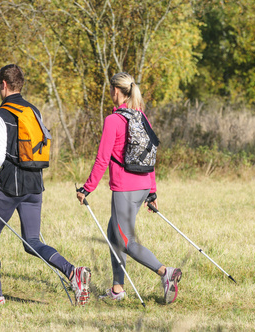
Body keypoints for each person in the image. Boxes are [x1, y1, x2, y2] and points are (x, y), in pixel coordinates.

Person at [0, 64, 91, 305]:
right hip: (35, 184)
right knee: (32, 242)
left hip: (11, 187)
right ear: (20, 85)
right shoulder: (34, 110)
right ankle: (73, 272)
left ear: (3, 85)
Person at [76, 72, 182, 304]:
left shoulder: (113, 120)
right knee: (114, 233)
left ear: (116, 91)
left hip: (125, 189)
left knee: (125, 241)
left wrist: (87, 188)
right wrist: (152, 191)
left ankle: (166, 273)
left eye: (111, 89)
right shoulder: (141, 116)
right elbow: (150, 156)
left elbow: (102, 159)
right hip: (143, 186)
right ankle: (117, 289)